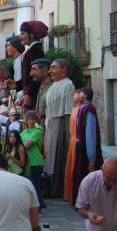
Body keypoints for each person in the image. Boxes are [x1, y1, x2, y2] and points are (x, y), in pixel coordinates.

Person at [44, 58, 75, 198]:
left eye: (54, 67)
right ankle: (50, 188)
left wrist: (69, 134)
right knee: (50, 156)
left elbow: (68, 110)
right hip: (50, 123)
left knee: (58, 156)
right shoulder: (52, 85)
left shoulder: (68, 85)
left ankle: (59, 189)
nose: (50, 71)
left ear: (64, 70)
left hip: (61, 123)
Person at [71, 86, 103, 205]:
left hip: (86, 150)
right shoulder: (83, 108)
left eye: (80, 93)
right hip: (81, 147)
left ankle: (88, 202)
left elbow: (90, 135)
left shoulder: (88, 110)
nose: (77, 95)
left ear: (85, 96)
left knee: (86, 177)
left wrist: (92, 158)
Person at [19, 20, 48, 109]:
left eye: (23, 33)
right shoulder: (32, 50)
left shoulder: (35, 50)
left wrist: (30, 94)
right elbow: (28, 76)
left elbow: (37, 75)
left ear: (32, 35)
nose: (20, 37)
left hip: (33, 93)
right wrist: (16, 85)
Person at [21, 111, 45, 209]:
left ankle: (38, 206)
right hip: (27, 162)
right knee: (30, 185)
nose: (31, 121)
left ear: (36, 120)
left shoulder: (38, 131)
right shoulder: (25, 132)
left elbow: (27, 144)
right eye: (29, 119)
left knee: (35, 184)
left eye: (33, 119)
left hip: (35, 161)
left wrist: (18, 147)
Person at [28, 58, 53, 125]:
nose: (31, 74)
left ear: (45, 70)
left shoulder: (52, 88)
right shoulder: (41, 87)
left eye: (34, 69)